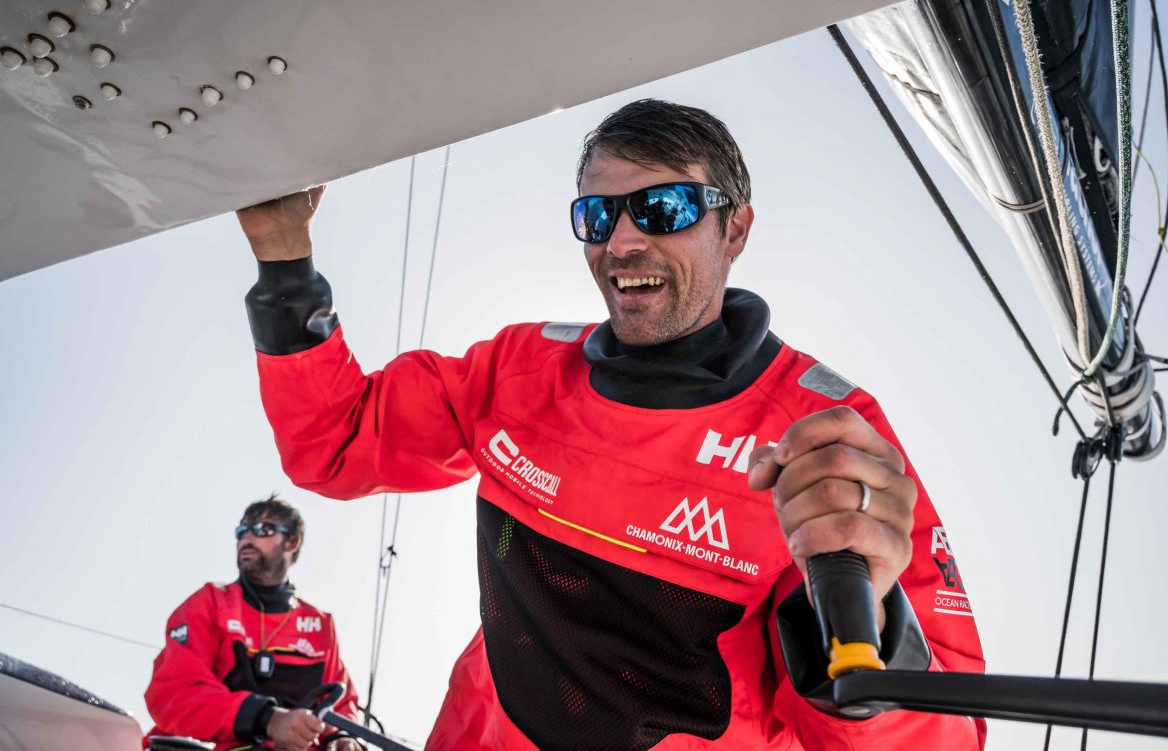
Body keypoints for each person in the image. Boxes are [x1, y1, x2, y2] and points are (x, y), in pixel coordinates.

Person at [236, 99, 986, 750]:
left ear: (735, 229)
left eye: (664, 210)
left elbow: (938, 737)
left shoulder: (827, 434)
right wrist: (283, 258)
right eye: (599, 216)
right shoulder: (518, 370)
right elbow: (335, 442)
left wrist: (874, 623)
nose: (623, 242)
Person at [145, 496, 364, 751]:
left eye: (263, 530)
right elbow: (175, 693)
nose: (246, 538)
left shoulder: (319, 625)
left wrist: (341, 739)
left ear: (292, 542)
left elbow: (341, 704)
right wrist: (266, 718)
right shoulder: (210, 603)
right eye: (241, 531)